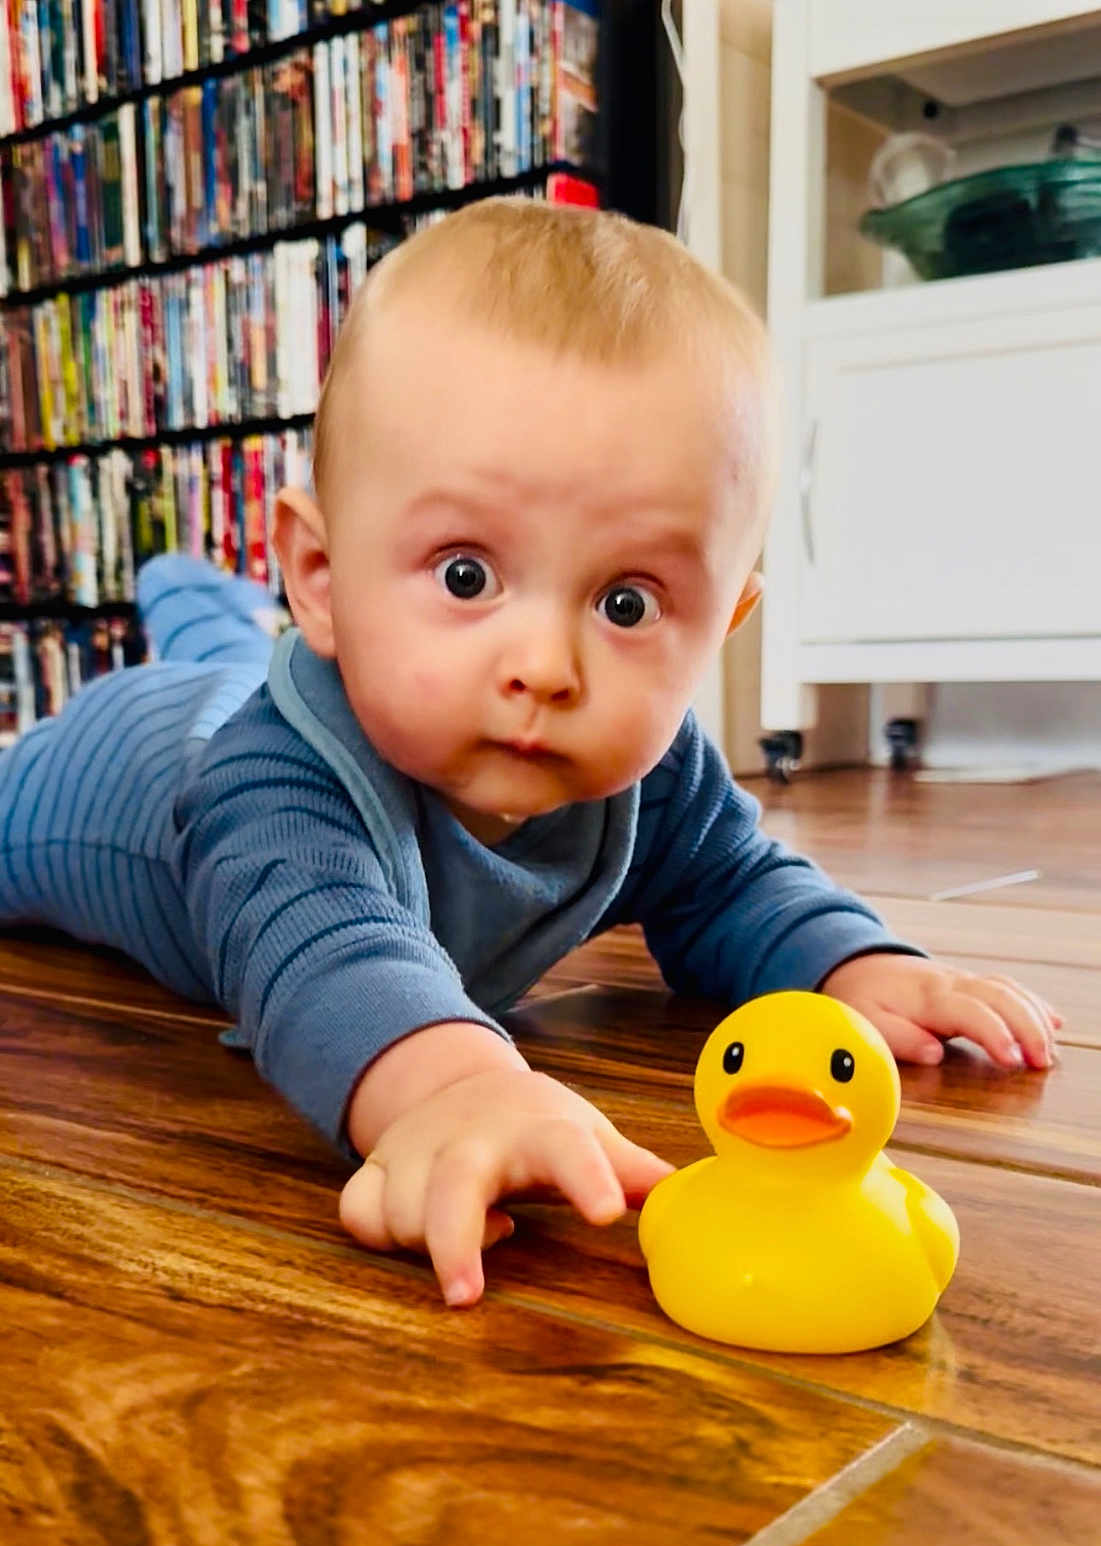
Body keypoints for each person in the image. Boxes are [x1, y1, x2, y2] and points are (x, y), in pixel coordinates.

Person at [0, 199, 1060, 1307]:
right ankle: (194, 602)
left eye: (627, 601)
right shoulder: (271, 785)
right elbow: (325, 947)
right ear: (321, 575)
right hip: (116, 770)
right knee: (139, 728)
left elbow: (734, 883)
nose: (546, 664)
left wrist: (856, 964)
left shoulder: (651, 775)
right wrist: (455, 1085)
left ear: (725, 625)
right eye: (467, 575)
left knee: (231, 647)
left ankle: (203, 603)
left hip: (286, 662)